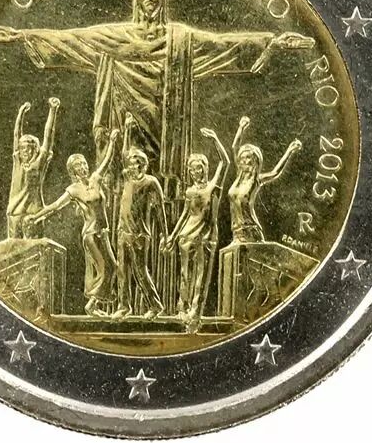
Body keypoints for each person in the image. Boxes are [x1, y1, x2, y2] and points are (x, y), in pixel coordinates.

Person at [0, 0, 315, 218]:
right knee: (123, 181)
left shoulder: (180, 38)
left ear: (164, 0)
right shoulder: (117, 36)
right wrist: (22, 35)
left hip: (165, 123)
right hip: (123, 116)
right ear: (137, 0)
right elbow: (75, 39)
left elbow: (221, 44)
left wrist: (271, 42)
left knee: (161, 185)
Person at [28, 129, 120, 317]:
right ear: (73, 171)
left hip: (103, 232)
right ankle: (91, 305)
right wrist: (37, 217)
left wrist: (112, 141)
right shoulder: (73, 189)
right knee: (105, 268)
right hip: (91, 234)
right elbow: (55, 206)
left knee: (113, 267)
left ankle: (92, 305)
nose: (83, 168)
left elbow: (106, 161)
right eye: (78, 166)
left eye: (84, 164)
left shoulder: (96, 179)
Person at [165, 127, 230, 332]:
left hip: (207, 237)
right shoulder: (189, 191)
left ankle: (195, 313)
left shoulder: (213, 187)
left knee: (201, 277)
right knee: (185, 274)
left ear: (205, 168)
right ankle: (182, 308)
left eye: (198, 168)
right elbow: (185, 215)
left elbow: (225, 162)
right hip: (186, 236)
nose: (195, 172)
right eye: (192, 169)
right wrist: (172, 236)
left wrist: (216, 138)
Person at [113, 113, 168, 320]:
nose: (130, 164)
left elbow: (160, 209)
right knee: (122, 270)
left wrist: (165, 235)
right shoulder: (127, 177)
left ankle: (155, 305)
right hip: (122, 231)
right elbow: (124, 153)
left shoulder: (151, 182)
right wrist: (128, 130)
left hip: (139, 234)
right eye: (130, 162)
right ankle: (123, 306)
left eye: (135, 162)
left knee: (140, 270)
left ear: (142, 165)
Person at [228, 116, 302, 243]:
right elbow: (235, 147)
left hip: (250, 229)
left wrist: (289, 151)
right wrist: (241, 128)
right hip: (236, 231)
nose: (244, 160)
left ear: (255, 160)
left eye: (248, 157)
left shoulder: (256, 180)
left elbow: (275, 172)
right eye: (242, 157)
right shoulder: (238, 177)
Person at [7, 98, 59, 239]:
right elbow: (17, 134)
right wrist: (20, 113)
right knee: (13, 248)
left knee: (36, 248)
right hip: (15, 211)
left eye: (29, 148)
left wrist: (53, 110)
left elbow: (48, 136)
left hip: (34, 212)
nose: (25, 151)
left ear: (36, 150)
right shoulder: (17, 161)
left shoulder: (39, 163)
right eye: (22, 148)